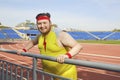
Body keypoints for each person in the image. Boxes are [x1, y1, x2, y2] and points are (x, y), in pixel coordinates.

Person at [17, 12, 82, 80]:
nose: (42, 26)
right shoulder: (40, 36)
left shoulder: (59, 34)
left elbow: (78, 46)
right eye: (39, 23)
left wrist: (66, 56)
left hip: (66, 74)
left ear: (50, 23)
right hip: (53, 74)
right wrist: (24, 50)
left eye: (45, 23)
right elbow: (32, 42)